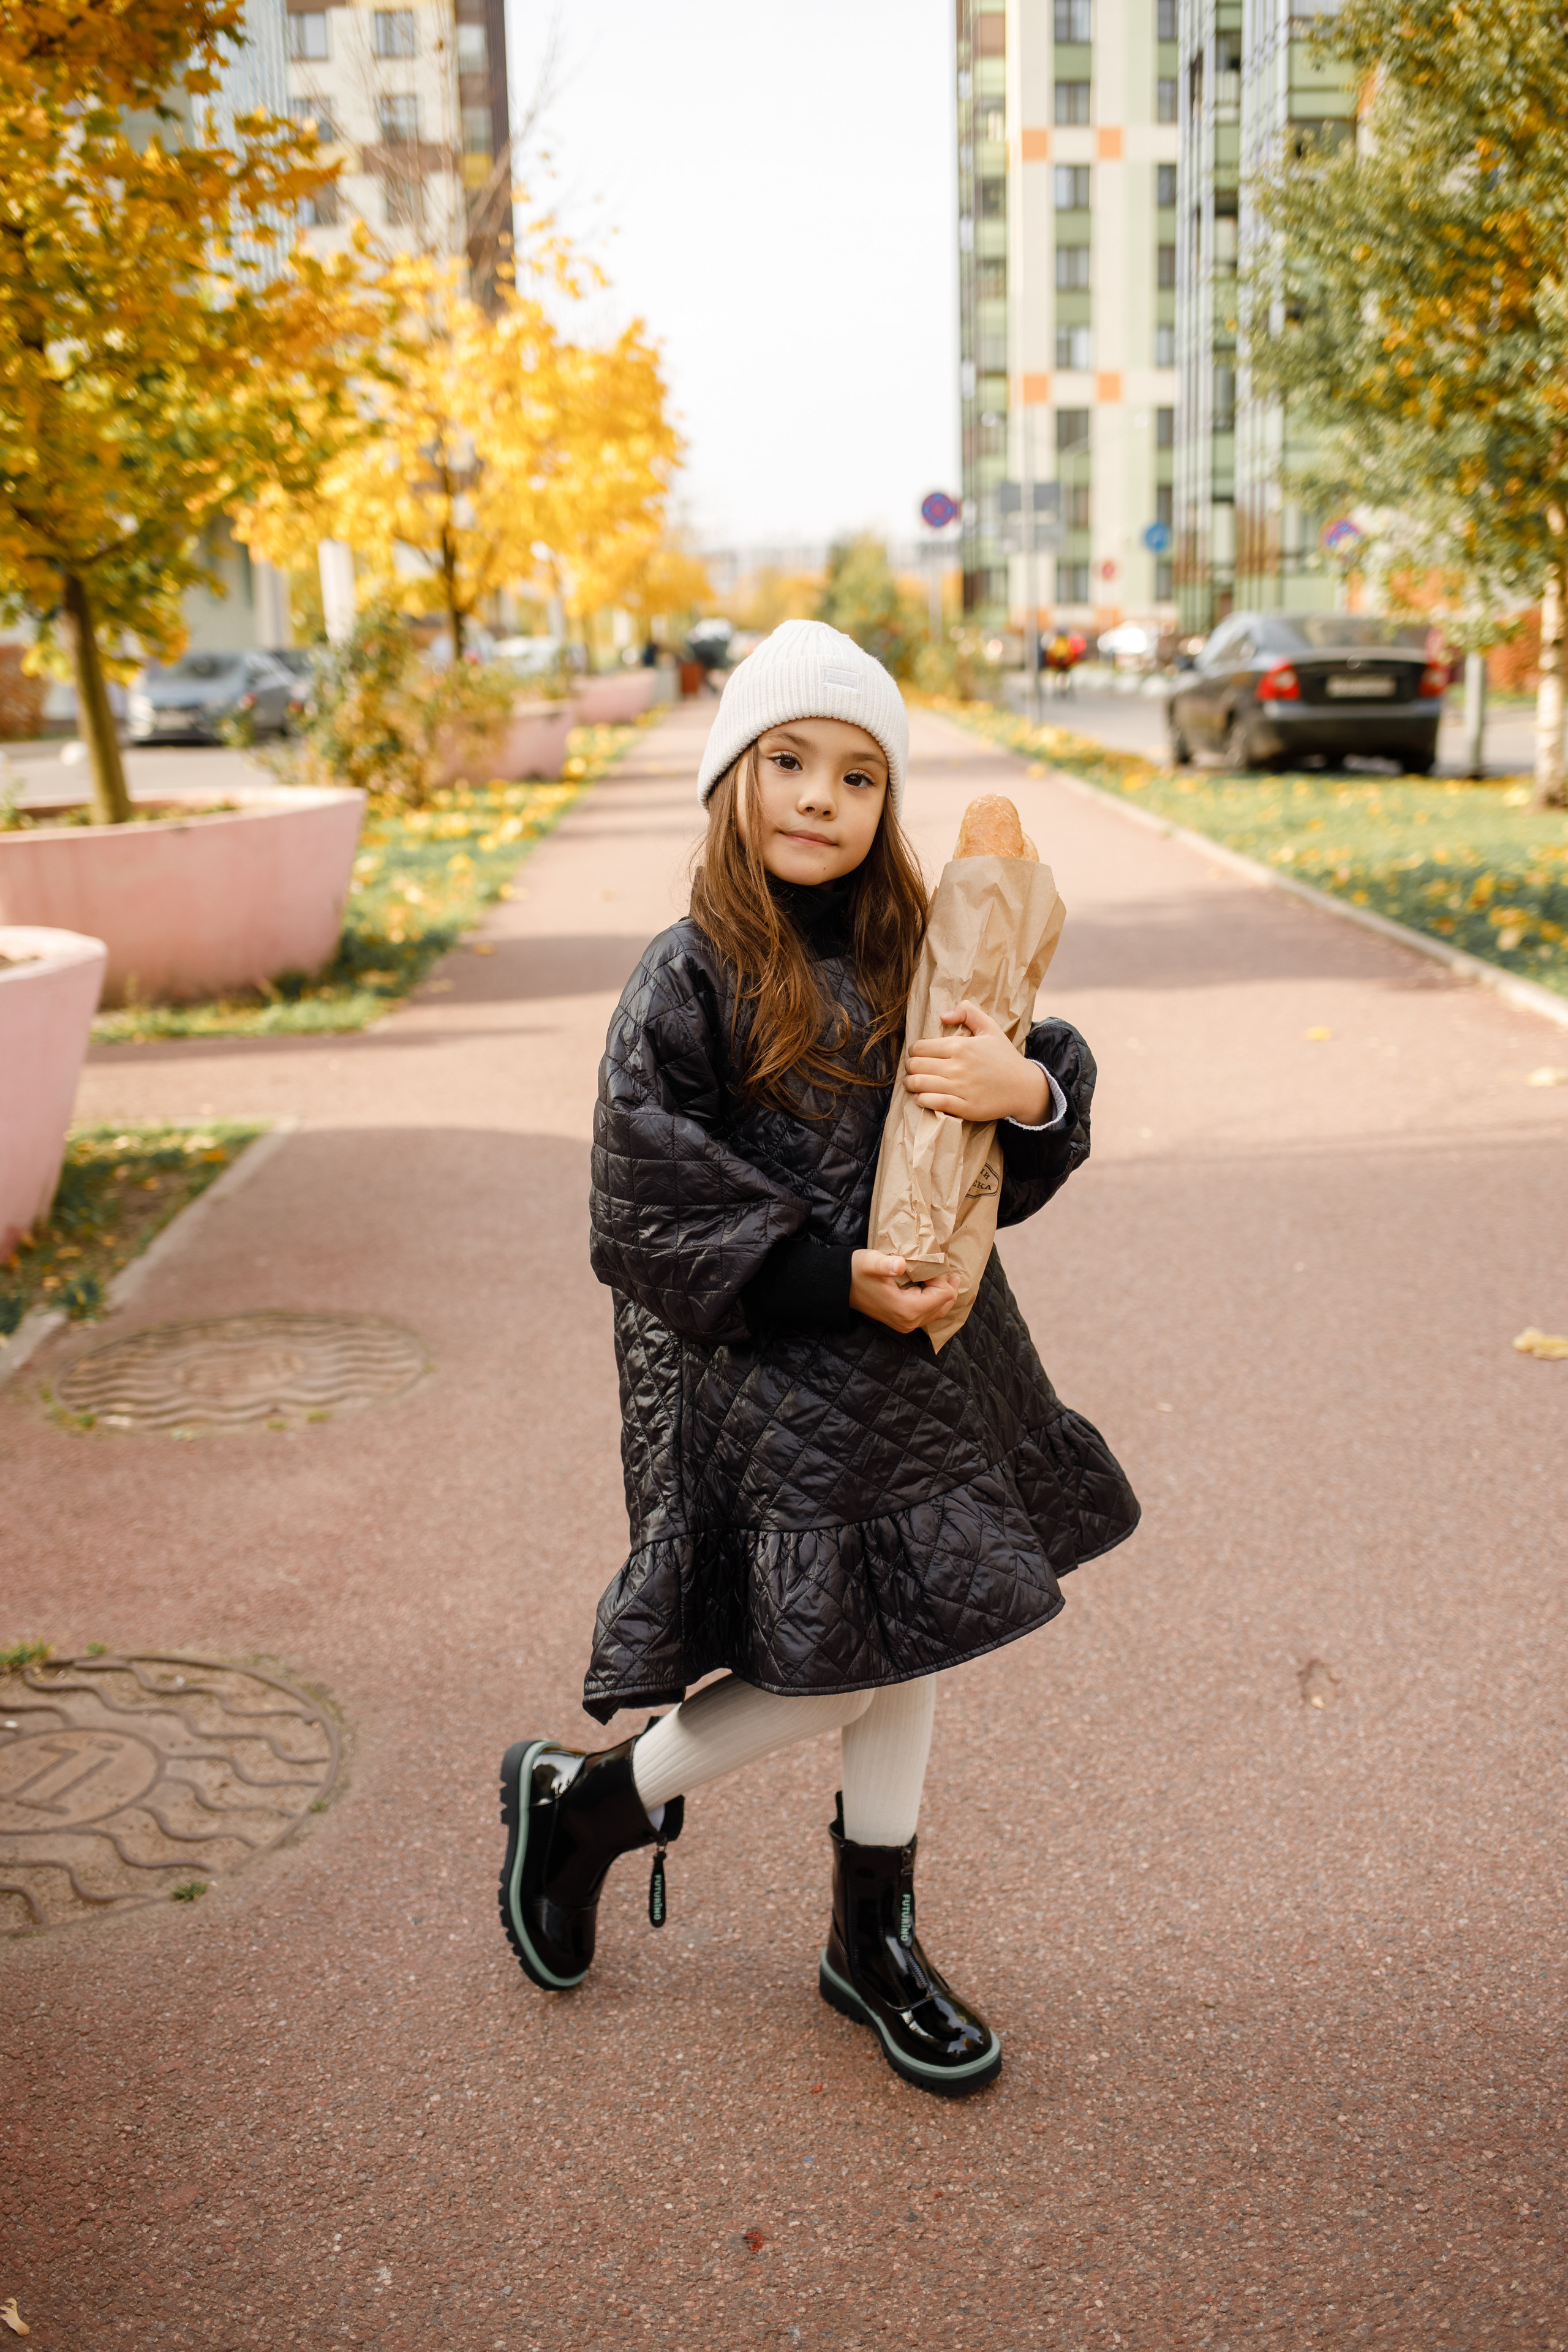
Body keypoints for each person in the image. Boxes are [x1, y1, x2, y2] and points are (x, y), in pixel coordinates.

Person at [498, 619, 1139, 2096]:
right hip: (771, 1369)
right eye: (787, 761)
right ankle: (597, 1801)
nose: (817, 798)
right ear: (733, 777)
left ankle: (871, 1938)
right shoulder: (689, 975)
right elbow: (638, 1186)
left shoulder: (924, 944)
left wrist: (1024, 1085)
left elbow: (1006, 1146)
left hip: (924, 1361)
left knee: (908, 1631)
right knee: (824, 1672)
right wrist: (811, 1270)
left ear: (884, 806)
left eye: (857, 777)